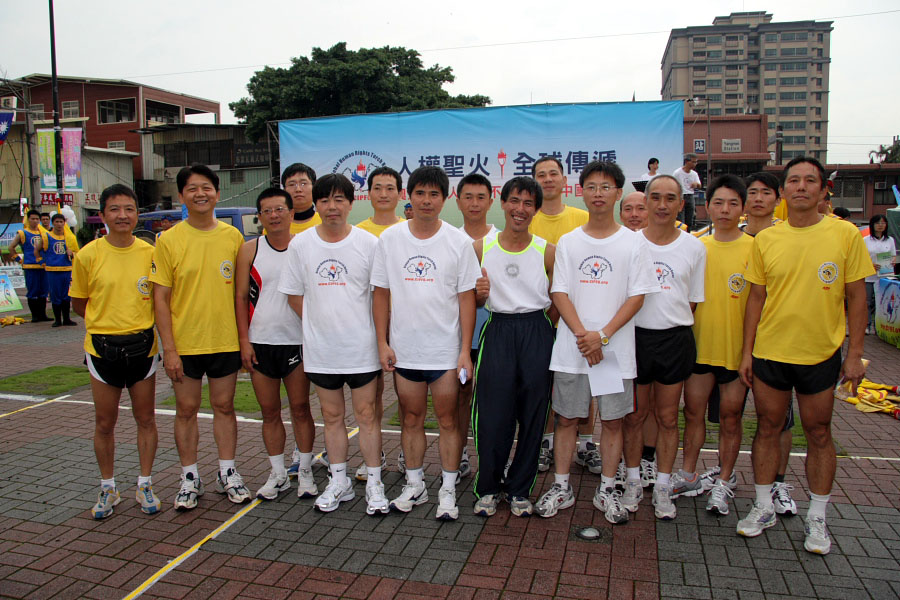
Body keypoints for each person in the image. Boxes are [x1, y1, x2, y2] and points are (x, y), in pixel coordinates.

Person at [736, 157, 873, 555]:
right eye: (793, 180)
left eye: (809, 180)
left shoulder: (844, 234)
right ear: (783, 191)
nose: (800, 187)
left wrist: (855, 354)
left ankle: (817, 516)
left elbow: (857, 297)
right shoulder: (766, 239)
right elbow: (756, 298)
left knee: (818, 431)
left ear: (822, 189)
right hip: (770, 352)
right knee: (767, 427)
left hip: (820, 353)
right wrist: (746, 352)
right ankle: (763, 505)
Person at [535, 161, 658, 524]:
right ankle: (561, 487)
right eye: (591, 187)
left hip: (612, 353)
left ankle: (607, 489)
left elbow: (637, 296)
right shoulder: (570, 242)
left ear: (618, 193)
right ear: (581, 192)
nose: (598, 193)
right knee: (566, 419)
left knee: (614, 422)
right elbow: (559, 292)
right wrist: (584, 337)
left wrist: (601, 336)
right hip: (573, 351)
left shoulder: (634, 243)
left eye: (606, 187)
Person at [371, 166, 480, 521]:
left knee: (448, 421)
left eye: (434, 194)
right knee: (411, 418)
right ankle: (415, 484)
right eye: (420, 193)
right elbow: (381, 293)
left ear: (445, 198)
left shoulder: (458, 242)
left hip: (445, 353)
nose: (427, 201)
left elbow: (467, 299)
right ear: (409, 196)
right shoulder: (390, 239)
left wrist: (464, 351)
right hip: (405, 351)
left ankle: (447, 489)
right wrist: (383, 342)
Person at [280, 174, 386, 514]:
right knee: (332, 416)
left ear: (351, 203)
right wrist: (319, 323)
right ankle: (339, 481)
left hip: (361, 350)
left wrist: (377, 338)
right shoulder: (301, 244)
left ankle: (375, 483)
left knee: (367, 416)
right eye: (325, 200)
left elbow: (380, 296)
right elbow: (293, 295)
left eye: (339, 199)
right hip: (321, 351)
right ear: (316, 204)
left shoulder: (368, 243)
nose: (332, 206)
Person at [151, 164, 250, 510]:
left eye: (206, 187)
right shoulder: (168, 240)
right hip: (185, 344)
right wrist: (170, 349)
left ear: (217, 194)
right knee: (186, 409)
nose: (200, 194)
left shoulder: (233, 237)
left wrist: (244, 340)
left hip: (225, 340)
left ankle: (228, 472)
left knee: (224, 407)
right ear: (182, 196)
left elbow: (241, 295)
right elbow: (160, 299)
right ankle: (190, 477)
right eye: (192, 189)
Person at [69, 184, 161, 519]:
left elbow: (161, 301)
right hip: (101, 350)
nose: (122, 215)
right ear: (103, 215)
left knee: (146, 418)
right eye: (115, 209)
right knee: (104, 422)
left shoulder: (151, 254)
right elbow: (79, 303)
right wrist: (106, 322)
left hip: (143, 348)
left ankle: (145, 484)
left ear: (137, 214)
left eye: (129, 209)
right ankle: (108, 487)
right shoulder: (88, 255)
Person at [471, 176, 555, 518]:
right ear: (503, 203)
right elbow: (470, 300)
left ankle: (520, 489)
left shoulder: (547, 250)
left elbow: (559, 299)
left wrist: (543, 328)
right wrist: (479, 296)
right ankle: (489, 488)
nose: (520, 209)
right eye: (515, 201)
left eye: (528, 203)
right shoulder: (480, 247)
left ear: (536, 210)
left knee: (533, 415)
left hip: (537, 331)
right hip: (498, 331)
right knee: (493, 416)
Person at [624, 174, 705, 520]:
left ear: (680, 204)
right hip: (635, 338)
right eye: (655, 197)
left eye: (670, 198)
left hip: (674, 340)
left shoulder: (694, 247)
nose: (661, 205)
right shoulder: (628, 244)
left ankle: (662, 485)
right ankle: (631, 481)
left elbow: (693, 301)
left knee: (668, 417)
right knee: (634, 416)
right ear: (646, 202)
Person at [234, 188, 317, 501]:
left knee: (300, 408)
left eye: (280, 209)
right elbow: (240, 297)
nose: (274, 215)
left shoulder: (305, 246)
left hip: (297, 342)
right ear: (260, 216)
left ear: (291, 212)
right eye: (267, 211)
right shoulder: (249, 249)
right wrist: (244, 341)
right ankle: (278, 473)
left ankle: (305, 470)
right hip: (260, 343)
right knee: (269, 412)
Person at [680, 175, 751, 517]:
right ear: (707, 206)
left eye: (733, 203)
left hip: (736, 352)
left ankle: (724, 480)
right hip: (698, 348)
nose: (725, 210)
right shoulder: (694, 246)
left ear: (742, 208)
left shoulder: (755, 248)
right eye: (718, 203)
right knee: (693, 414)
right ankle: (688, 474)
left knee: (730, 417)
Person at [528, 156, 597, 476]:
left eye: (553, 174)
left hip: (578, 319)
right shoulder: (527, 219)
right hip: (539, 318)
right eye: (541, 175)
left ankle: (587, 444)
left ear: (564, 180)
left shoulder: (582, 218)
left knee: (586, 381)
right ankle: (545, 442)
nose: (547, 179)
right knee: (544, 385)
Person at [352, 166, 405, 481]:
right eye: (377, 188)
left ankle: (407, 452)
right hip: (369, 323)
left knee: (406, 392)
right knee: (372, 395)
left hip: (405, 322)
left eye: (390, 188)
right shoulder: (357, 232)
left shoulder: (409, 230)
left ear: (400, 193)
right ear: (368, 192)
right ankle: (376, 454)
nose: (383, 194)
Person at [455, 173, 498, 483]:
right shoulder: (449, 239)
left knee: (494, 402)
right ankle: (458, 455)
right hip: (459, 339)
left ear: (491, 201)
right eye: (468, 197)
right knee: (460, 400)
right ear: (457, 201)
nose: (474, 203)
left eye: (480, 197)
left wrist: (484, 295)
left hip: (494, 336)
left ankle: (493, 461)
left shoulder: (503, 241)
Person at [37, 213, 79, 327]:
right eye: (57, 222)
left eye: (61, 222)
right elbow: (37, 250)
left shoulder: (69, 238)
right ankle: (57, 320)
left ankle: (67, 319)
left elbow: (78, 253)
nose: (59, 224)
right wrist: (42, 262)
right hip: (53, 270)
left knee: (66, 295)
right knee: (55, 295)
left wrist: (72, 253)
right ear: (53, 223)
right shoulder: (46, 237)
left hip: (66, 269)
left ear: (64, 223)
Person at [8, 209, 50, 322]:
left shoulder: (43, 233)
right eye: (33, 219)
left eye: (37, 219)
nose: (35, 221)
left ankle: (43, 315)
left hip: (43, 266)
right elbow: (11, 247)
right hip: (30, 267)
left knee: (43, 291)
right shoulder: (23, 233)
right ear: (28, 219)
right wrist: (19, 260)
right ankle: (34, 316)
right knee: (33, 291)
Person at [864, 214, 896, 334]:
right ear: (872, 225)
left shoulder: (890, 240)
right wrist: (871, 265)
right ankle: (867, 325)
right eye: (877, 223)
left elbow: (893, 255)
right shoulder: (865, 240)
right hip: (868, 276)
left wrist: (893, 260)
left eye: (883, 223)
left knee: (883, 302)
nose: (880, 225)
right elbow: (861, 258)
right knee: (867, 302)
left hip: (884, 276)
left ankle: (880, 327)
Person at [282, 163, 322, 234]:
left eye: (303, 183)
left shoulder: (325, 222)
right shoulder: (276, 225)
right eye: (292, 184)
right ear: (284, 190)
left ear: (314, 187)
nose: (298, 189)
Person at [673, 154, 702, 231]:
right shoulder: (677, 173)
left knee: (690, 219)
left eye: (696, 162)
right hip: (680, 196)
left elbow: (699, 185)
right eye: (693, 162)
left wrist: (696, 184)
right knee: (680, 219)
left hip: (690, 196)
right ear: (686, 161)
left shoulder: (694, 174)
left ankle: (688, 233)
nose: (695, 164)